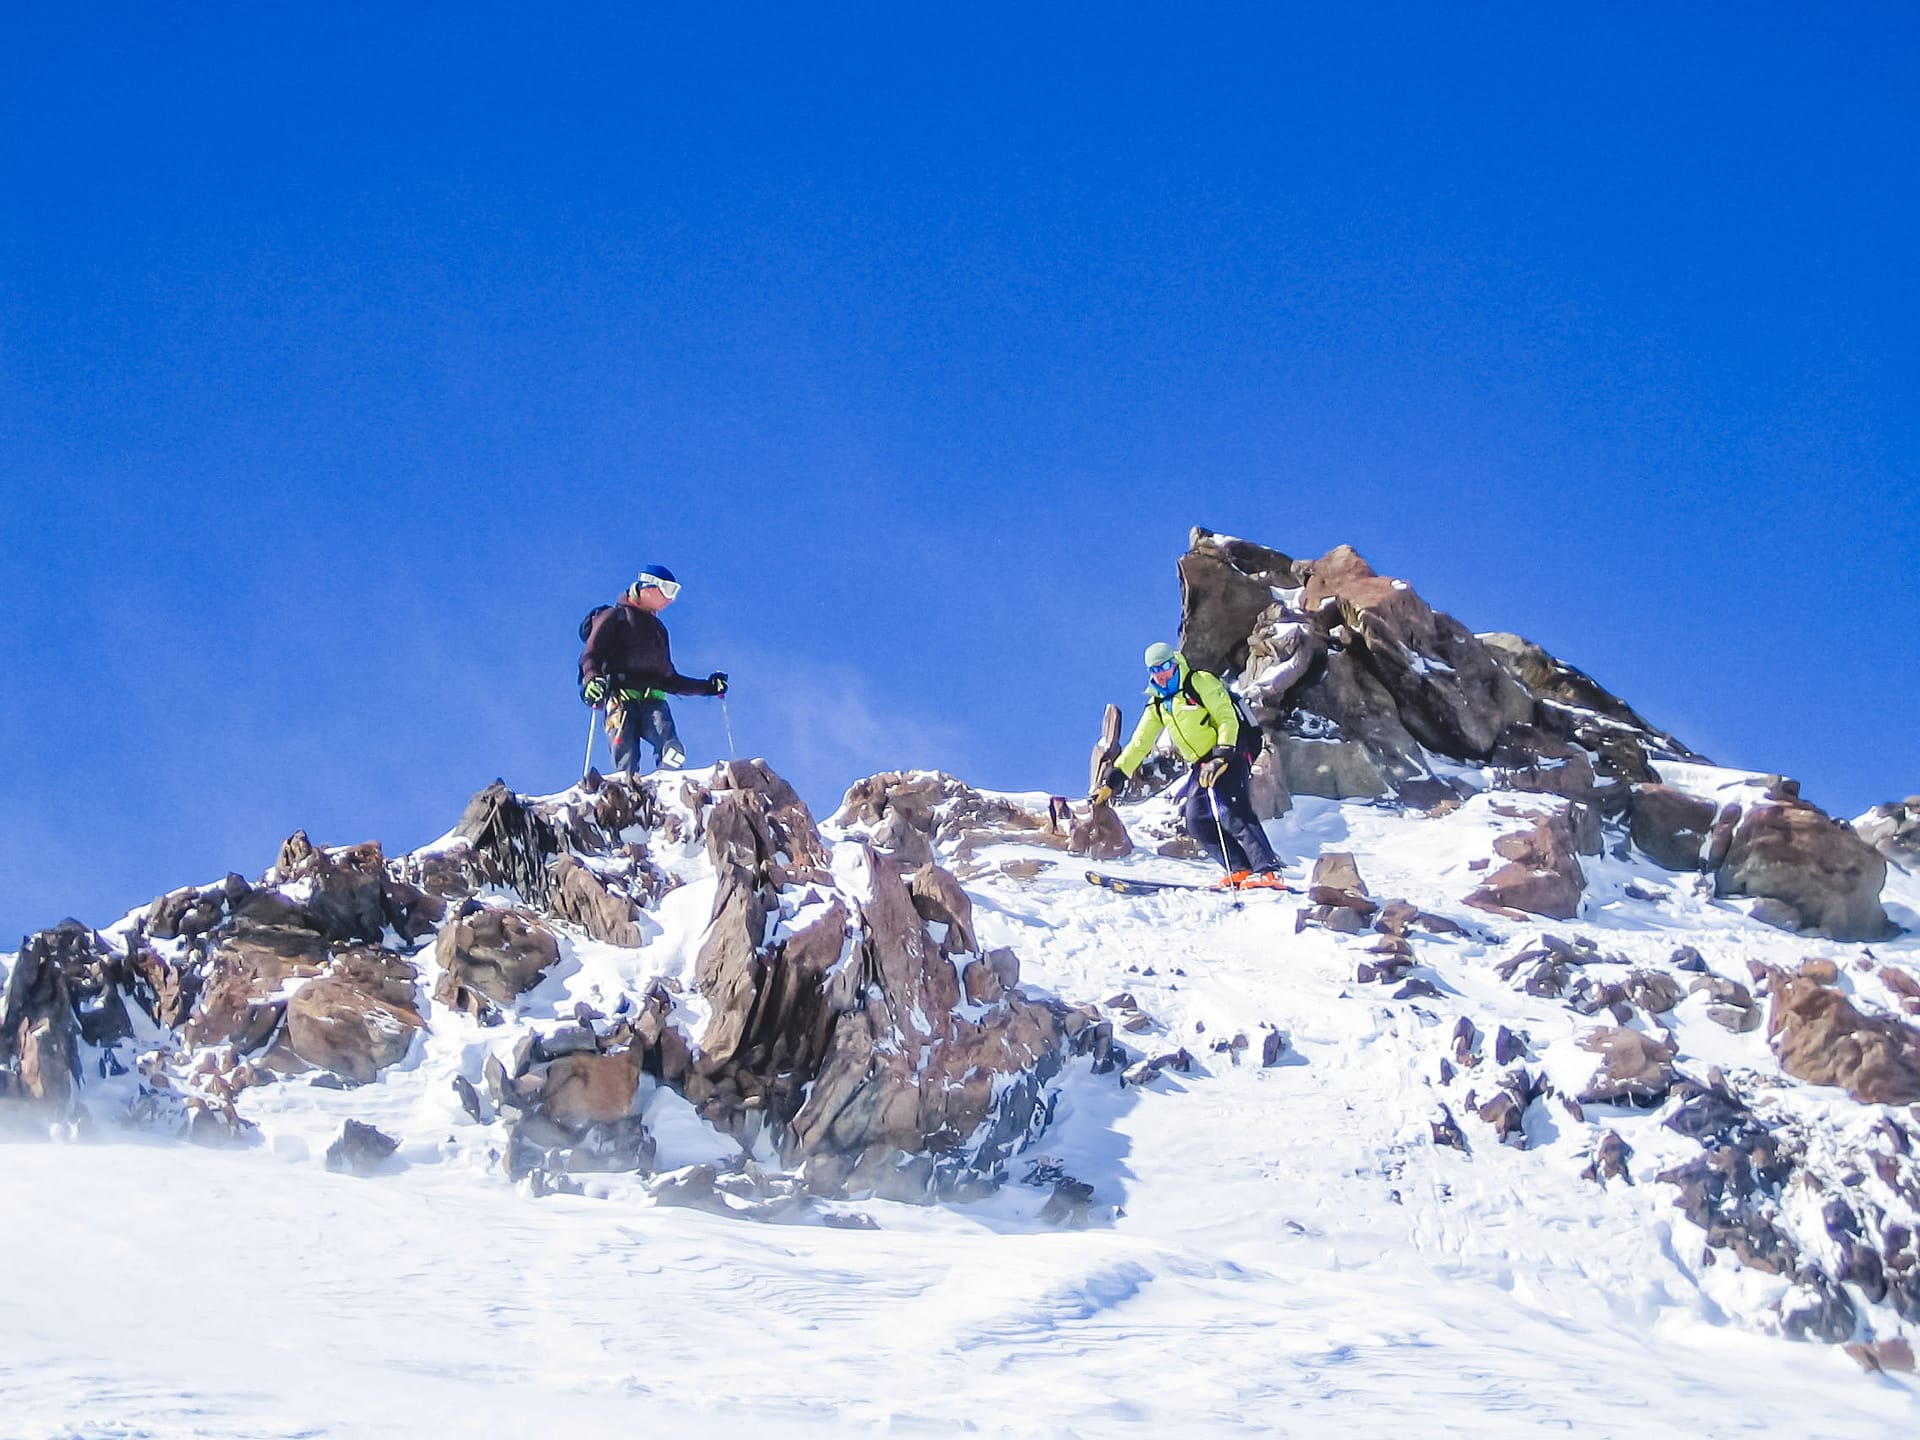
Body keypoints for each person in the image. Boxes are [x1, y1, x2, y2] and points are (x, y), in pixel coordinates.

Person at [1091, 642, 1282, 884]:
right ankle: (1239, 869)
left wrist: (1222, 755)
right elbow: (1139, 743)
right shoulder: (1159, 704)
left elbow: (1226, 717)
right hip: (1201, 762)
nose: (1161, 674)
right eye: (1155, 670)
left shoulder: (1199, 682)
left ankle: (1268, 871)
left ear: (1175, 662)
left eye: (1166, 666)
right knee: (1196, 819)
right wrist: (1114, 777)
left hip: (1230, 749)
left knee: (1233, 811)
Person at [578, 565, 728, 775]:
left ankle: (668, 773)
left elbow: (669, 679)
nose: (671, 598)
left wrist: (708, 687)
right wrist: (591, 679)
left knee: (664, 735)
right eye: (667, 589)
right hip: (620, 697)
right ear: (647, 586)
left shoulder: (658, 631)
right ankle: (627, 786)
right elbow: (592, 653)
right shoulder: (615, 616)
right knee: (625, 750)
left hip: (653, 697)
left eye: (674, 592)